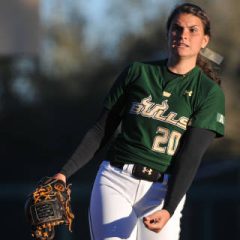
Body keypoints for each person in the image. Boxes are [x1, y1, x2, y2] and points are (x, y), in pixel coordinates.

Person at [53, 3, 225, 240]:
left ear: (204, 40)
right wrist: (64, 173)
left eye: (193, 30)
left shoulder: (208, 92)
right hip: (116, 179)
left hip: (163, 190)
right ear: (168, 34)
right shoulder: (138, 72)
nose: (183, 34)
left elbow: (191, 155)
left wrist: (169, 208)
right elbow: (101, 130)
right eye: (177, 28)